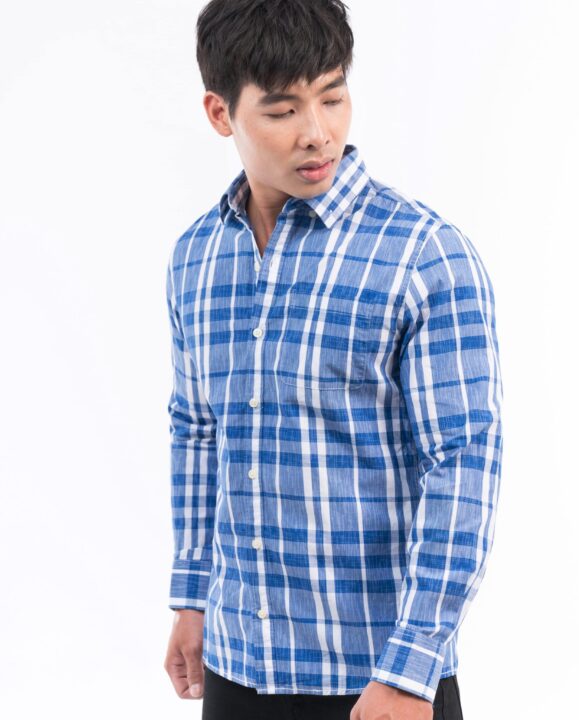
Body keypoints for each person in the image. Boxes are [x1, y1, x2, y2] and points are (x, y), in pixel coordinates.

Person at [163, 1, 503, 719]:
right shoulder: (197, 257)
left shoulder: (423, 255)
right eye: (283, 110)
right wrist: (193, 598)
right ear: (221, 113)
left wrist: (411, 667)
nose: (317, 132)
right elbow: (197, 429)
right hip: (237, 663)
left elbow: (463, 467)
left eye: (333, 95)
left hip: (376, 676)